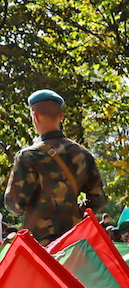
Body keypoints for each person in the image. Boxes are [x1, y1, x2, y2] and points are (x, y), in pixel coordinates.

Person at [5, 89, 105, 246]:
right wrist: (74, 213)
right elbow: (98, 200)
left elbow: (15, 206)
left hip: (38, 245)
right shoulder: (83, 154)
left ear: (35, 116)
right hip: (73, 243)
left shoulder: (28, 156)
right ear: (61, 116)